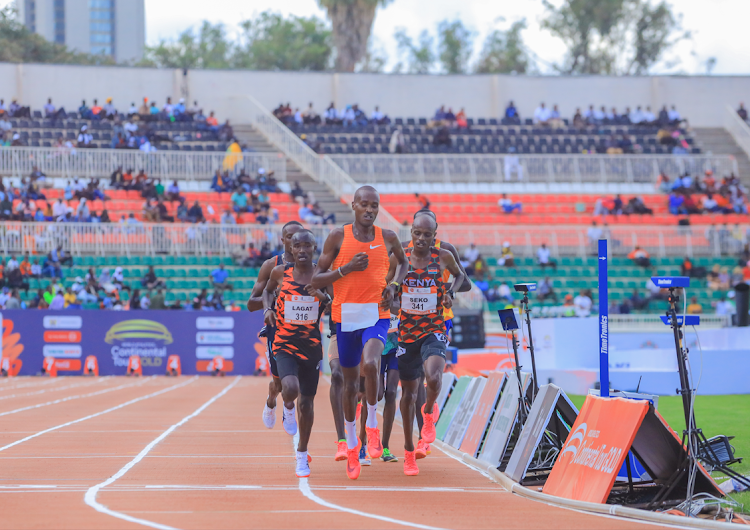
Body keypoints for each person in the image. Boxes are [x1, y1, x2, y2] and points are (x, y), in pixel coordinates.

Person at [311, 186, 408, 480]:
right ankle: (352, 443)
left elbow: (402, 263)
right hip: (345, 317)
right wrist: (346, 269)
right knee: (350, 384)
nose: (369, 209)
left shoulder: (388, 237)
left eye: (374, 205)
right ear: (353, 206)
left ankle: (372, 426)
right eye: (363, 204)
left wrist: (394, 286)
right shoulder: (338, 237)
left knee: (371, 363)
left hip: (376, 315)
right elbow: (316, 278)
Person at [388, 213, 465, 476]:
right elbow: (387, 288)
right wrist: (395, 302)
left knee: (433, 377)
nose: (421, 239)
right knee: (408, 395)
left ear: (435, 234)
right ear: (411, 232)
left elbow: (459, 277)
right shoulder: (400, 258)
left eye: (427, 234)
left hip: (434, 328)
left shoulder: (443, 256)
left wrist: (449, 292)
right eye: (417, 233)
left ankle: (429, 411)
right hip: (407, 332)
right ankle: (409, 452)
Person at [262, 229, 330, 478]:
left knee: (308, 403)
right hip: (284, 342)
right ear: (290, 248)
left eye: (307, 246)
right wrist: (267, 309)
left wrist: (321, 295)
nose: (302, 250)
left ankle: (302, 454)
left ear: (314, 248)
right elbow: (267, 291)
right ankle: (286, 407)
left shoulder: (321, 275)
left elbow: (332, 304)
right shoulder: (280, 272)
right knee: (289, 387)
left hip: (311, 345)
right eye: (297, 246)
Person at [248, 222, 304, 432]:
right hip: (278, 331)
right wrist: (275, 299)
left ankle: (289, 409)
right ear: (283, 240)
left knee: (300, 383)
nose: (294, 241)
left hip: (304, 331)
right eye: (290, 237)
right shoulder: (271, 265)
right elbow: (251, 304)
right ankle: (272, 400)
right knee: (280, 384)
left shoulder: (312, 267)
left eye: (298, 237)